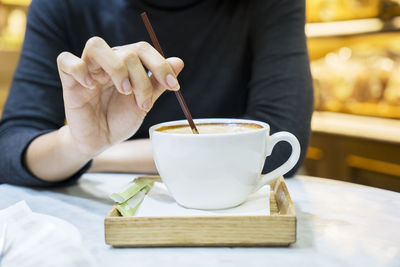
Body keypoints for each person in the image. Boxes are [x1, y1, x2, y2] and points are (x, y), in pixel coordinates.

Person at [0, 0, 313, 186]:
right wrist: (79, 145)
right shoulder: (63, 4)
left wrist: (95, 157)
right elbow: (10, 149)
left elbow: (281, 143)